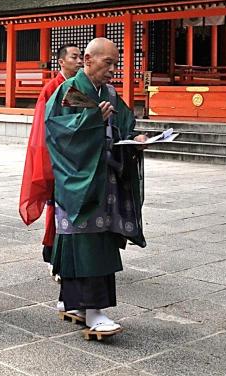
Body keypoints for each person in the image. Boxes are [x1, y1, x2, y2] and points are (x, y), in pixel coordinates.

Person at [44, 38, 147, 338]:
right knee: (87, 240)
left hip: (105, 178)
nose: (113, 70)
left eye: (116, 63)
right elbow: (56, 133)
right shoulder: (68, 91)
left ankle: (73, 303)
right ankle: (94, 312)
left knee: (96, 237)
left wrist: (136, 138)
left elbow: (125, 124)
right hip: (78, 178)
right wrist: (91, 119)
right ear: (88, 60)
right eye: (108, 63)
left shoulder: (111, 94)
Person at [19, 44, 83, 307]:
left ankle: (68, 259)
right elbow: (42, 129)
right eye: (74, 57)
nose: (79, 61)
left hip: (78, 158)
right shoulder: (51, 88)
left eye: (81, 57)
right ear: (61, 61)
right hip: (58, 158)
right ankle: (53, 257)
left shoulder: (81, 87)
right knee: (56, 212)